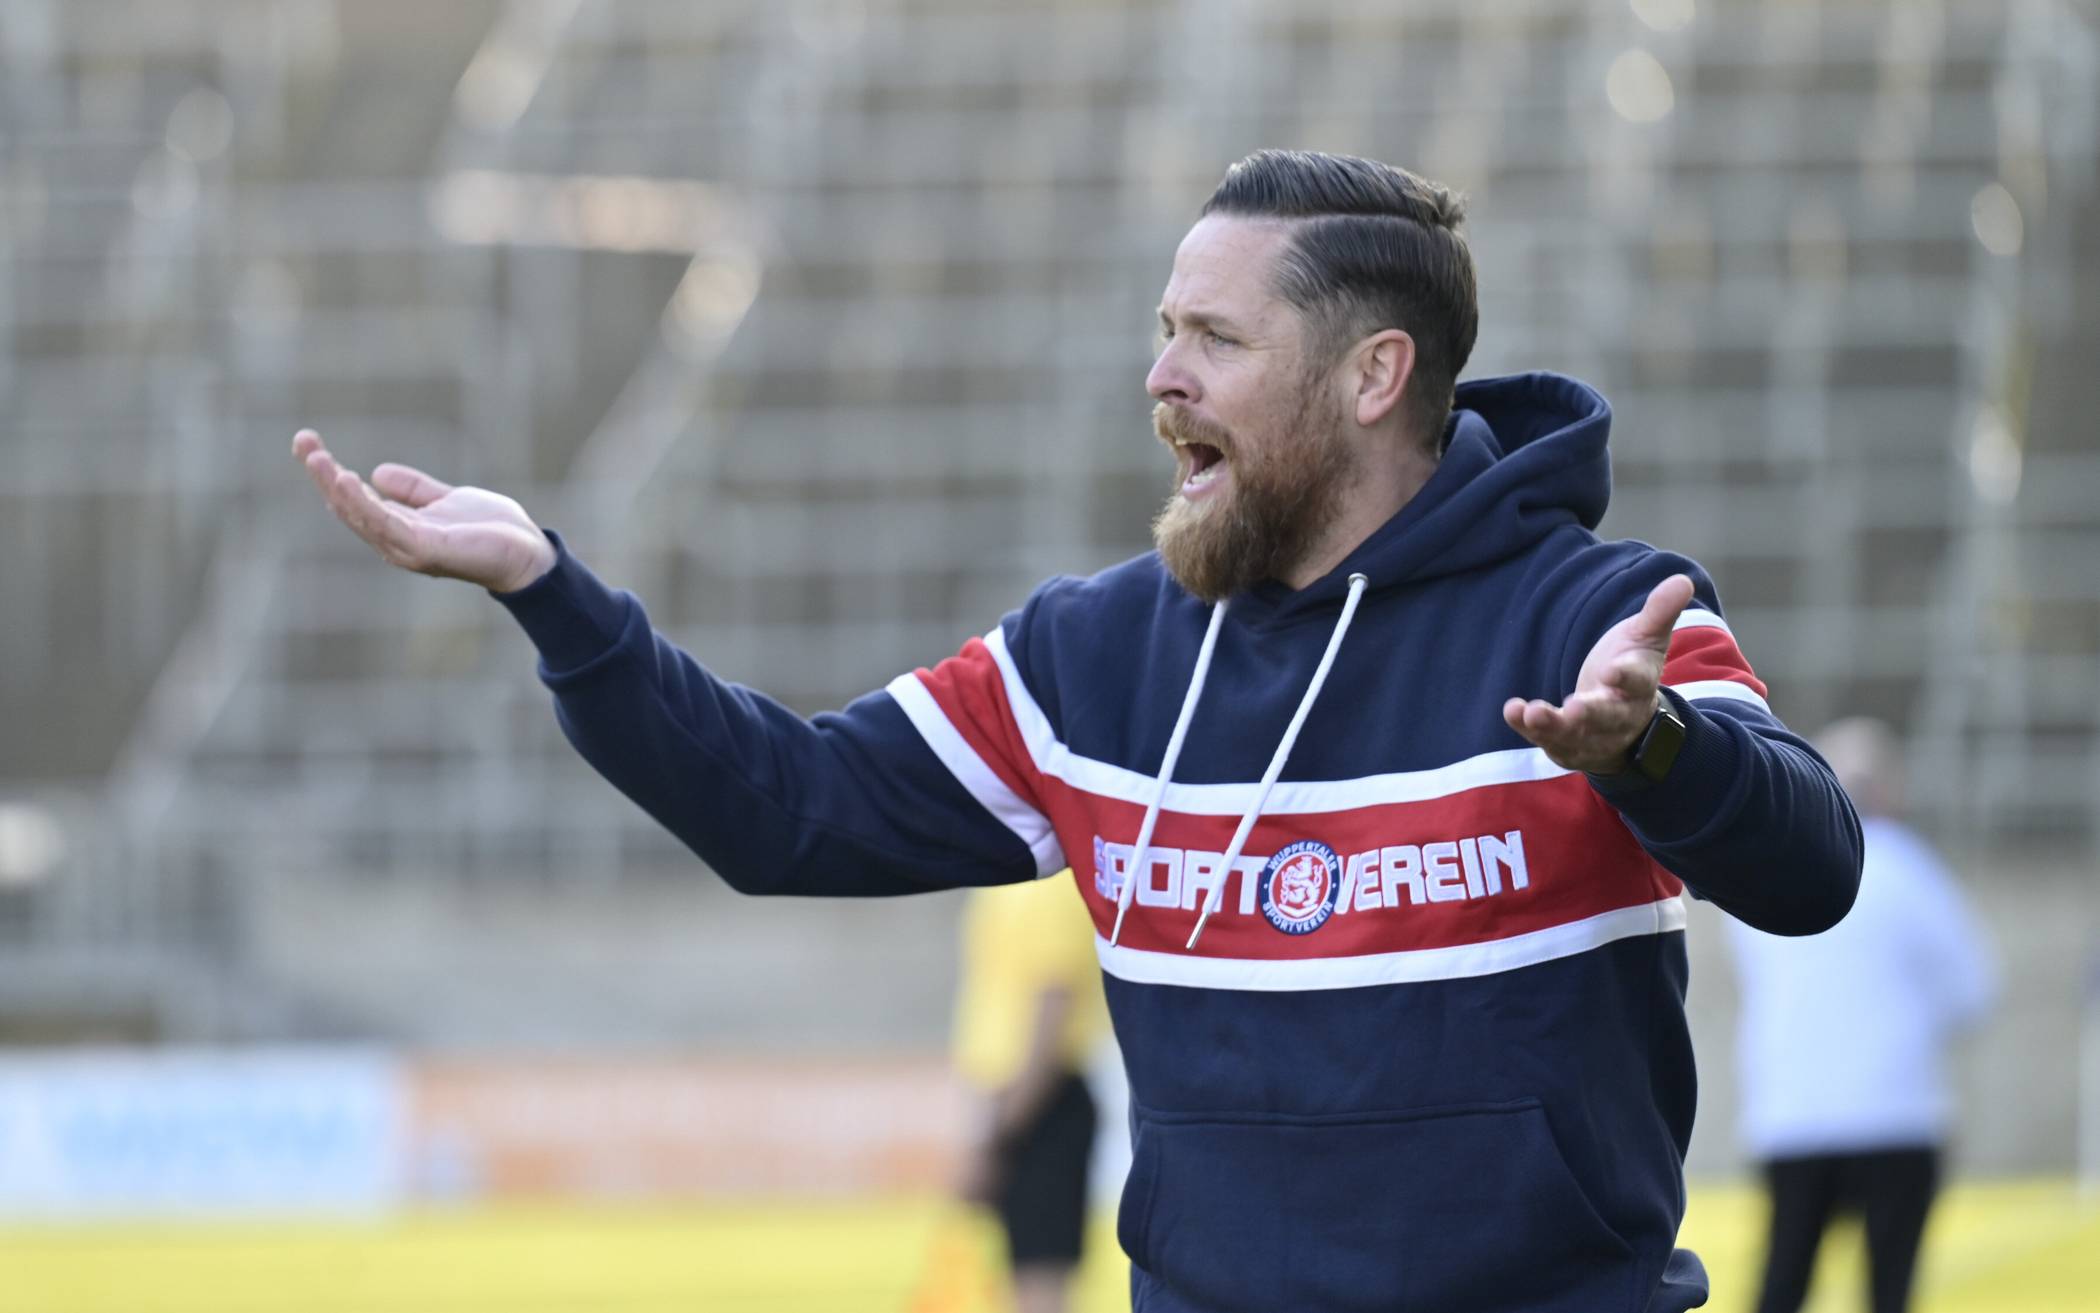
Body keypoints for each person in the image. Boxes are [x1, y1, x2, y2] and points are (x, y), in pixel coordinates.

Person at [292, 149, 1862, 1313]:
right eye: (1166, 328)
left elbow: (1814, 865)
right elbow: (788, 807)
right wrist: (554, 593)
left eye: (1216, 339)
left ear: (1375, 375)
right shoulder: (1091, 656)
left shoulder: (1601, 622)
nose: (1161, 375)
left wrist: (1656, 753)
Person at [1728, 717, 1997, 1313]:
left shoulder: (1768, 869)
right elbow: (1972, 988)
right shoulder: (1910, 870)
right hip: (1896, 1111)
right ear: (1888, 789)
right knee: (1889, 1289)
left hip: (1793, 1112)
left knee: (1783, 1281)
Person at [950, 874, 1110, 1313]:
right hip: (1018, 1099)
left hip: (1039, 1099)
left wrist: (998, 1136)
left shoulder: (1050, 885)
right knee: (1023, 1275)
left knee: (1040, 1279)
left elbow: (1053, 1004)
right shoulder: (1006, 882)